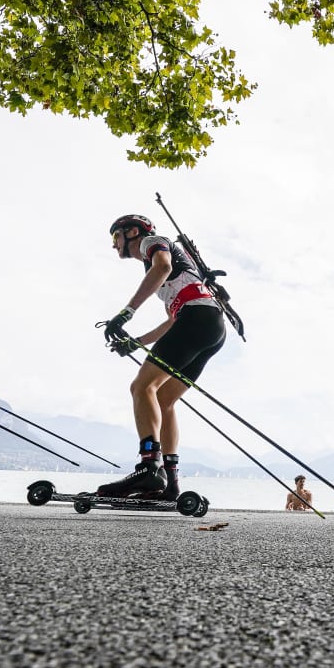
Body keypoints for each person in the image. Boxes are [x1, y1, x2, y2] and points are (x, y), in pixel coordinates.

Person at [98, 214, 226, 500]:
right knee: (164, 400)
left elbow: (162, 267)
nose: (113, 245)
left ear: (131, 232)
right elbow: (172, 322)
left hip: (196, 319)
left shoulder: (152, 243)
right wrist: (135, 343)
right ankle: (171, 483)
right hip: (211, 326)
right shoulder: (179, 266)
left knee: (141, 387)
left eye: (115, 237)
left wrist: (125, 313)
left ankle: (148, 467)